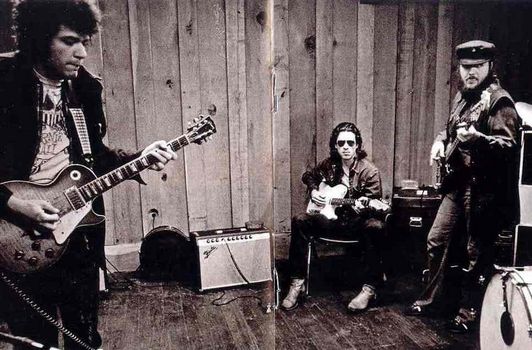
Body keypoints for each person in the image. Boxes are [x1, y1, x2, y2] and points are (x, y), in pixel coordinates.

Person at [0, 1, 177, 348]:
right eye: (69, 41)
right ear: (37, 37)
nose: (80, 52)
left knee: (84, 336)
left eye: (84, 41)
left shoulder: (85, 89)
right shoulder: (4, 80)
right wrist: (15, 205)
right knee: (34, 339)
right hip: (13, 233)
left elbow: (95, 158)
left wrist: (141, 157)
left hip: (79, 234)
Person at [405, 40, 520, 333]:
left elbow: (509, 147)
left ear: (489, 67)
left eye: (477, 67)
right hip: (458, 183)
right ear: (458, 68)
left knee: (475, 252)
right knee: (437, 240)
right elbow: (451, 128)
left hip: (484, 190)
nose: (471, 73)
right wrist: (439, 141)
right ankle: (433, 300)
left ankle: (468, 315)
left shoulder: (498, 101)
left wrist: (479, 140)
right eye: (465, 67)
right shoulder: (463, 97)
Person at [281, 122, 389, 313]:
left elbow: (374, 205)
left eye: (350, 143)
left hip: (356, 223)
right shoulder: (329, 164)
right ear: (335, 146)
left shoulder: (369, 171)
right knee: (300, 220)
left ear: (357, 145)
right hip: (331, 220)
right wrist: (314, 191)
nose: (346, 147)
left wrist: (361, 206)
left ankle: (369, 288)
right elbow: (308, 176)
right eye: (341, 143)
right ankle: (297, 283)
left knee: (375, 226)